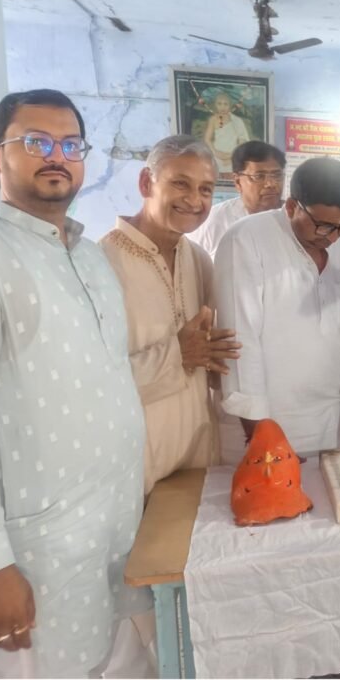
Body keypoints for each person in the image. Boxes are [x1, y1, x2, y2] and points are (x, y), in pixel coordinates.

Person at [0, 89, 150, 677]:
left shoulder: (90, 257)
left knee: (121, 678)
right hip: (37, 546)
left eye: (70, 145)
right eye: (36, 142)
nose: (56, 157)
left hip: (116, 527)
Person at [215, 157, 340, 454]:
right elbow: (241, 341)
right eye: (323, 226)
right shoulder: (246, 240)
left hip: (331, 418)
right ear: (292, 206)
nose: (332, 237)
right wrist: (259, 432)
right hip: (267, 422)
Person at [100, 136, 240, 495]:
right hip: (135, 462)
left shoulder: (199, 259)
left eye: (206, 189)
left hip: (197, 452)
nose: (194, 200)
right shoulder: (100, 263)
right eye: (181, 183)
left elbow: (210, 361)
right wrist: (179, 355)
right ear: (146, 183)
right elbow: (91, 384)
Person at [190, 140, 286, 258]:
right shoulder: (215, 221)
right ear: (237, 181)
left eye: (277, 175)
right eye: (259, 176)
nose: (270, 184)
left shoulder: (292, 218)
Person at [202, 90, 250, 174]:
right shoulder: (213, 119)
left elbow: (242, 140)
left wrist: (231, 156)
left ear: (230, 105)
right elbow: (207, 139)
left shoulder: (236, 120)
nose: (222, 107)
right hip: (217, 155)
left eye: (225, 104)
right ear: (215, 104)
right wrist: (215, 152)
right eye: (219, 104)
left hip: (233, 155)